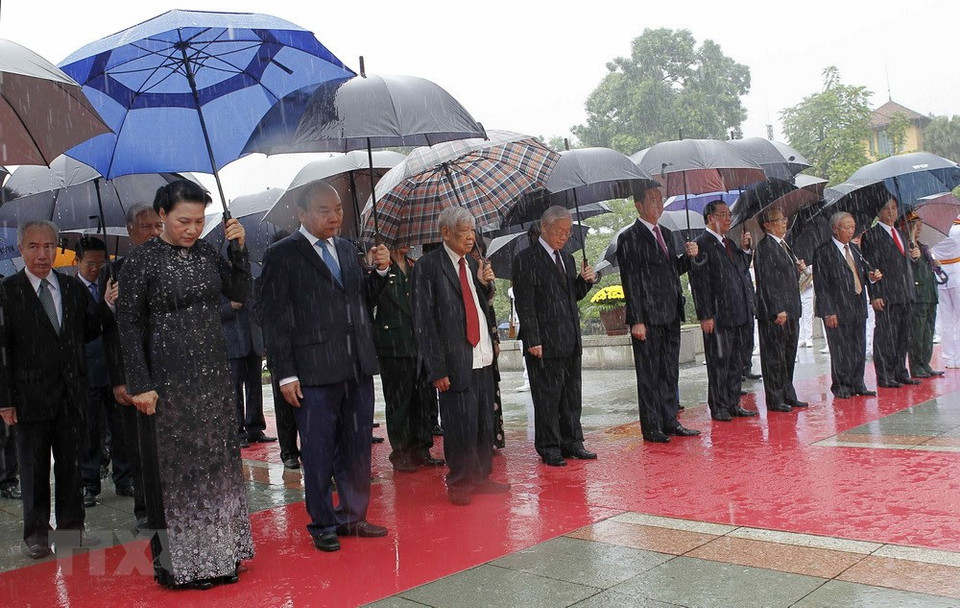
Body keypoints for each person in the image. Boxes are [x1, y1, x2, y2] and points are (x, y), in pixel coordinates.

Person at [117, 179, 254, 589]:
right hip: (167, 378)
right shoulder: (141, 261)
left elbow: (239, 291)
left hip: (212, 373)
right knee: (178, 474)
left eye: (199, 220)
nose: (193, 229)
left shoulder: (207, 252)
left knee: (217, 467)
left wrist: (238, 250)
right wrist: (140, 383)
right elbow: (127, 324)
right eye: (183, 221)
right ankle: (183, 566)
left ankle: (221, 555)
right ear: (161, 216)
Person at [257, 181, 390, 553]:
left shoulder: (348, 249)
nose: (334, 217)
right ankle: (322, 521)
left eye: (338, 210)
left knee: (357, 445)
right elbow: (273, 318)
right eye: (323, 210)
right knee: (316, 450)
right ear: (301, 214)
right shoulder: (282, 255)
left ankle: (353, 515)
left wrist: (379, 274)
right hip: (311, 372)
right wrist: (285, 372)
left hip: (355, 366)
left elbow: (363, 302)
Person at [0, 220, 110, 559]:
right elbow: (1, 350)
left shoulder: (70, 288)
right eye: (33, 246)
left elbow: (89, 330)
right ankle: (35, 533)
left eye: (48, 246)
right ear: (21, 250)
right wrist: (4, 401)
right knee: (32, 467)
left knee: (70, 466)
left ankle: (71, 530)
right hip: (29, 397)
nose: (42, 254)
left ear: (57, 248)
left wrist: (106, 305)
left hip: (72, 394)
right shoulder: (7, 291)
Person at [412, 206, 511, 506]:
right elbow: (423, 322)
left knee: (482, 420)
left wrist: (485, 283)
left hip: (481, 354)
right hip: (453, 361)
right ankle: (459, 481)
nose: (471, 237)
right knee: (458, 424)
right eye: (464, 231)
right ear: (445, 233)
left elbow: (481, 305)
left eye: (472, 231)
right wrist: (436, 367)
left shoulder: (472, 264)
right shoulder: (428, 267)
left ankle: (481, 476)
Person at [512, 206, 598, 465]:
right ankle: (549, 446)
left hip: (570, 338)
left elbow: (570, 296)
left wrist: (584, 281)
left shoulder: (567, 259)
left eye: (568, 232)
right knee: (548, 396)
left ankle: (573, 441)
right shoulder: (526, 259)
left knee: (572, 394)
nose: (564, 236)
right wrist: (533, 339)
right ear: (545, 227)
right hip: (544, 341)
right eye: (560, 231)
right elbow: (524, 303)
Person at [616, 185, 701, 442]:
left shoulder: (665, 232)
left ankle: (669, 419)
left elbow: (671, 270)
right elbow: (630, 280)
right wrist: (637, 319)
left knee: (668, 370)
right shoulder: (629, 237)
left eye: (660, 198)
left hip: (670, 313)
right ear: (638, 205)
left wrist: (688, 257)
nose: (658, 203)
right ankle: (652, 426)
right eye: (652, 199)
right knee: (650, 374)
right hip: (648, 317)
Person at [103, 202, 163, 533]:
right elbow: (111, 336)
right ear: (130, 231)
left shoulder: (172, 262)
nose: (154, 232)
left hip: (169, 370)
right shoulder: (115, 272)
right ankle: (145, 509)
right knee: (140, 448)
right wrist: (111, 306)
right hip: (135, 374)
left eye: (158, 225)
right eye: (146, 227)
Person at [369, 245, 444, 472]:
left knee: (422, 398)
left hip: (417, 342)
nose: (406, 243)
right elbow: (370, 300)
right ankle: (401, 451)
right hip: (393, 343)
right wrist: (379, 268)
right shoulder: (379, 268)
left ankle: (422, 447)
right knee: (399, 401)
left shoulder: (414, 266)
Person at [75, 236, 133, 508]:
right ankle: (88, 483)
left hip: (113, 368)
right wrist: (105, 305)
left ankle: (124, 478)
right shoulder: (70, 289)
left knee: (120, 428)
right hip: (86, 371)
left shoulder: (113, 283)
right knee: (89, 431)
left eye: (100, 262)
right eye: (89, 263)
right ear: (78, 262)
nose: (95, 268)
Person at [689, 201, 759, 422]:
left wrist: (745, 248)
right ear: (710, 218)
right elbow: (700, 282)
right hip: (718, 316)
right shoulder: (701, 243)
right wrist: (705, 314)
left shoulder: (728, 242)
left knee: (735, 362)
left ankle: (733, 402)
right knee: (719, 362)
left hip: (738, 313)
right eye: (722, 215)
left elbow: (740, 269)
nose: (728, 219)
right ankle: (719, 405)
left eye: (729, 214)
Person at [812, 212, 880, 399]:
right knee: (841, 350)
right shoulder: (823, 252)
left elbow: (861, 273)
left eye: (852, 227)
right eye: (846, 227)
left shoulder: (855, 249)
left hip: (857, 304)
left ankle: (858, 383)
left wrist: (872, 277)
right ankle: (842, 385)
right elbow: (822, 285)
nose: (851, 231)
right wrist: (828, 311)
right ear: (835, 229)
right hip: (837, 308)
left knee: (858, 347)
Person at [860, 197, 920, 389]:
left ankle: (900, 371)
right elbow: (870, 266)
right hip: (886, 294)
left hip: (905, 293)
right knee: (886, 336)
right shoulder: (872, 235)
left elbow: (905, 263)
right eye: (887, 209)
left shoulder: (901, 234)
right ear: (879, 212)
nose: (891, 212)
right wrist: (875, 294)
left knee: (903, 335)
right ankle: (885, 375)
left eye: (894, 208)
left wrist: (914, 256)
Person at [753, 207, 809, 412]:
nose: (784, 222)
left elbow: (784, 275)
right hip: (776, 312)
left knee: (788, 354)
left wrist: (797, 268)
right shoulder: (765, 247)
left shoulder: (784, 245)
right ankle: (775, 398)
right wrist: (778, 308)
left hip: (791, 308)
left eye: (785, 218)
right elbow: (768, 282)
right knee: (774, 357)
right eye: (779, 220)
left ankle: (788, 392)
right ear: (767, 225)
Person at [220, 293, 275, 448]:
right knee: (234, 389)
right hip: (232, 343)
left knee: (255, 387)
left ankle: (255, 428)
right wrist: (229, 307)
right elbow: (210, 313)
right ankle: (237, 431)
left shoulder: (250, 273)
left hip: (253, 340)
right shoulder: (219, 276)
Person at [904, 213, 944, 378]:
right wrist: (911, 237)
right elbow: (910, 263)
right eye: (914, 224)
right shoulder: (908, 245)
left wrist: (934, 264)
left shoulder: (923, 246)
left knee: (928, 330)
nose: (919, 227)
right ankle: (916, 365)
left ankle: (925, 363)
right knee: (917, 331)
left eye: (920, 224)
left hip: (929, 293)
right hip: (918, 294)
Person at [932, 218, 960, 368]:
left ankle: (949, 357)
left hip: (940, 272)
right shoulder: (956, 228)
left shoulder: (933, 229)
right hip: (957, 269)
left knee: (946, 318)